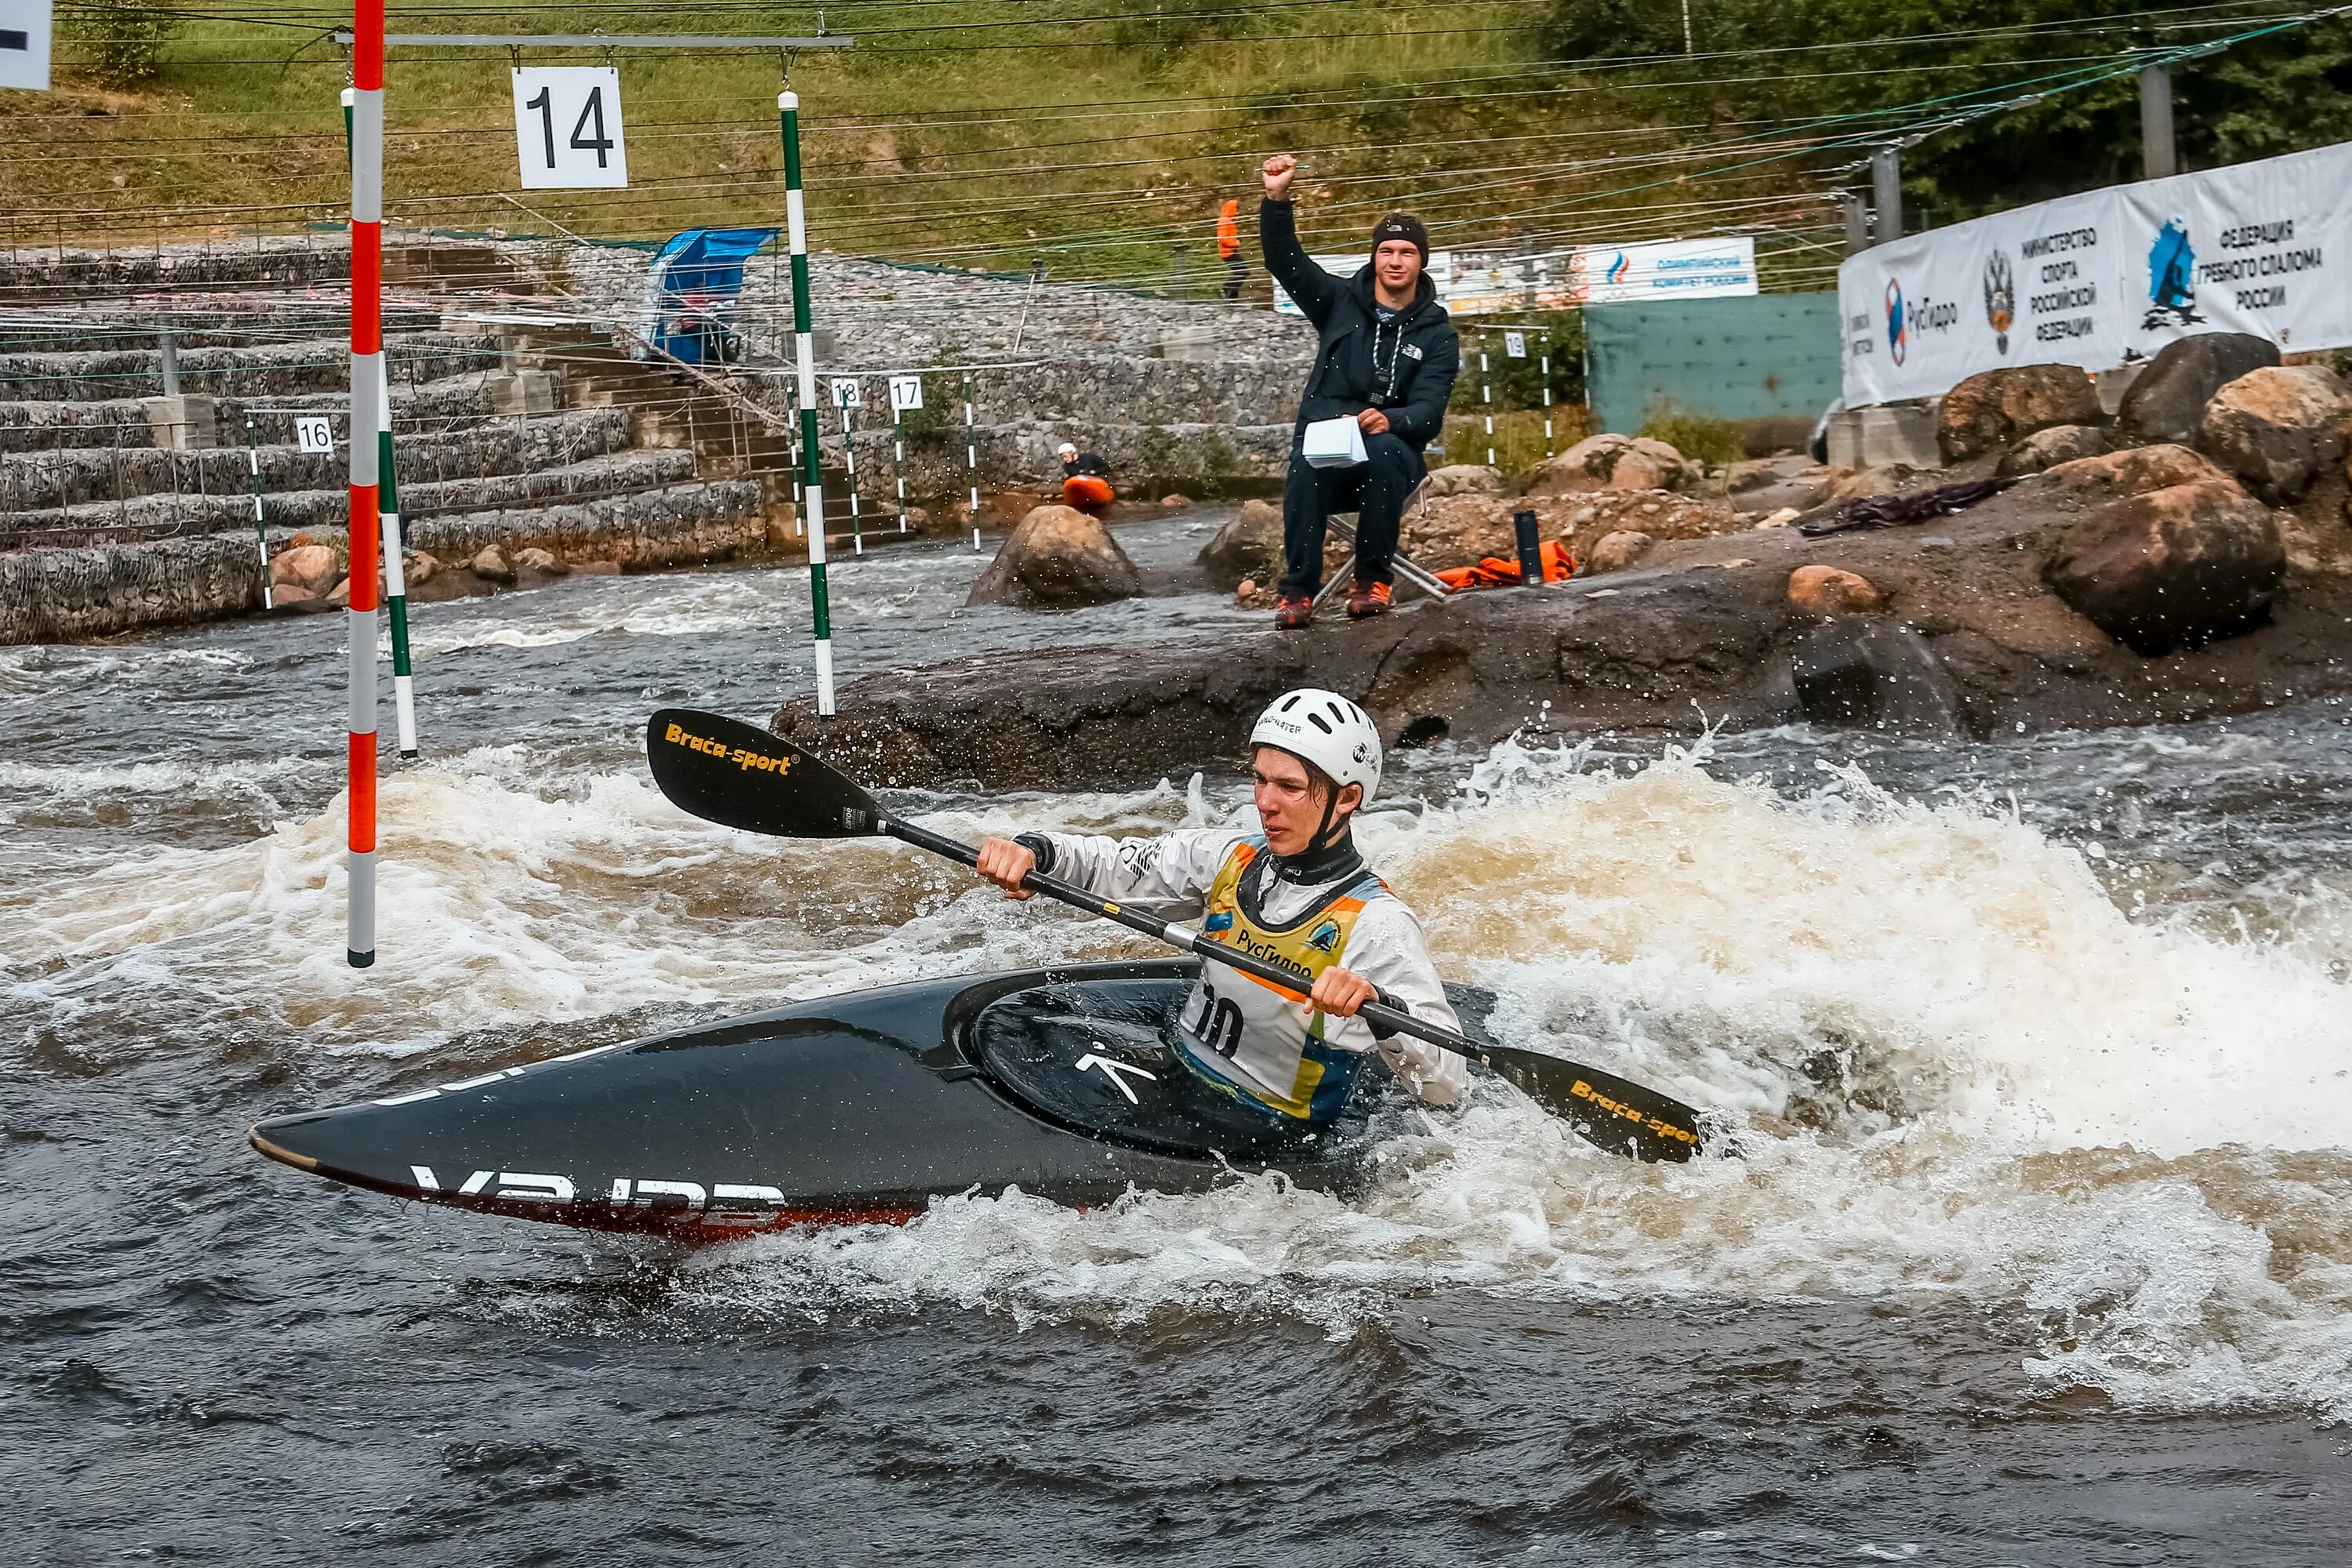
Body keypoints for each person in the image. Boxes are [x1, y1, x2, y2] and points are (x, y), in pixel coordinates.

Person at [974, 688, 1466, 1130]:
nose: (1265, 803)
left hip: (1271, 1125)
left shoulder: (1376, 923)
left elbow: (1446, 1083)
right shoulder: (1231, 857)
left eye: (1289, 787)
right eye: (1260, 780)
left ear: (1347, 798)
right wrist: (1036, 850)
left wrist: (1380, 1006)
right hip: (1184, 1064)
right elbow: (1119, 865)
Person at [1258, 152, 1460, 630]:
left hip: (1393, 462)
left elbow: (1430, 412)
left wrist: (1393, 419)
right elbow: (1285, 262)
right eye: (1387, 251)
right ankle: (1298, 592)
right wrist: (1276, 198)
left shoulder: (1438, 333)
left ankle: (1372, 580)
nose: (1395, 260)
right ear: (1374, 257)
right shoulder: (1337, 302)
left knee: (1387, 450)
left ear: (1420, 261)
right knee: (1306, 461)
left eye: (1406, 252)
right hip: (1329, 452)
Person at [1057, 441, 1115, 513]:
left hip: (1096, 480)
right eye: (1063, 458)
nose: (1065, 459)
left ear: (1072, 453)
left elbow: (1107, 467)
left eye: (1065, 456)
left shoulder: (1089, 457)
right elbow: (1072, 478)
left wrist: (1094, 472)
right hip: (1081, 484)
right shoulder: (1066, 466)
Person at [1217, 197, 1246, 300]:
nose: (1237, 213)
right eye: (1236, 210)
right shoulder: (1225, 220)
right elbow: (1222, 238)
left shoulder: (1227, 220)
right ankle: (1226, 289)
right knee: (1243, 272)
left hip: (1230, 250)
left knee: (1239, 272)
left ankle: (1233, 298)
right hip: (1228, 251)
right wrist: (1235, 243)